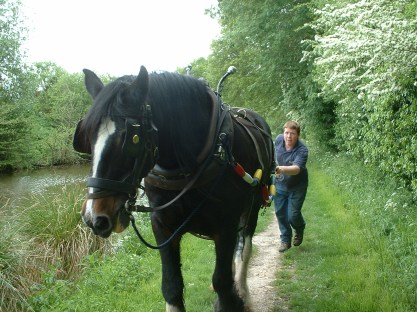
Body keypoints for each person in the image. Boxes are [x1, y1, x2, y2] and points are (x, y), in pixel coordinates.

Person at [274, 120, 309, 252]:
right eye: (286, 133)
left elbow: (296, 169)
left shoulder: (302, 150)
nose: (289, 136)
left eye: (292, 133)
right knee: (280, 213)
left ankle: (299, 229)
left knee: (293, 215)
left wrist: (280, 168)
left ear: (297, 135)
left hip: (297, 187)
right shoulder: (278, 140)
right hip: (280, 184)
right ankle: (285, 240)